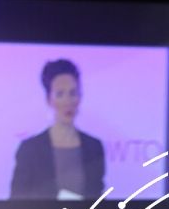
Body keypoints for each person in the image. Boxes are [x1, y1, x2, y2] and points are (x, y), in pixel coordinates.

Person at [11, 59, 106, 200]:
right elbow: (16, 204)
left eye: (73, 93)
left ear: (80, 97)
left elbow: (97, 200)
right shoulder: (30, 149)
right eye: (60, 94)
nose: (68, 101)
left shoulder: (94, 147)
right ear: (49, 99)